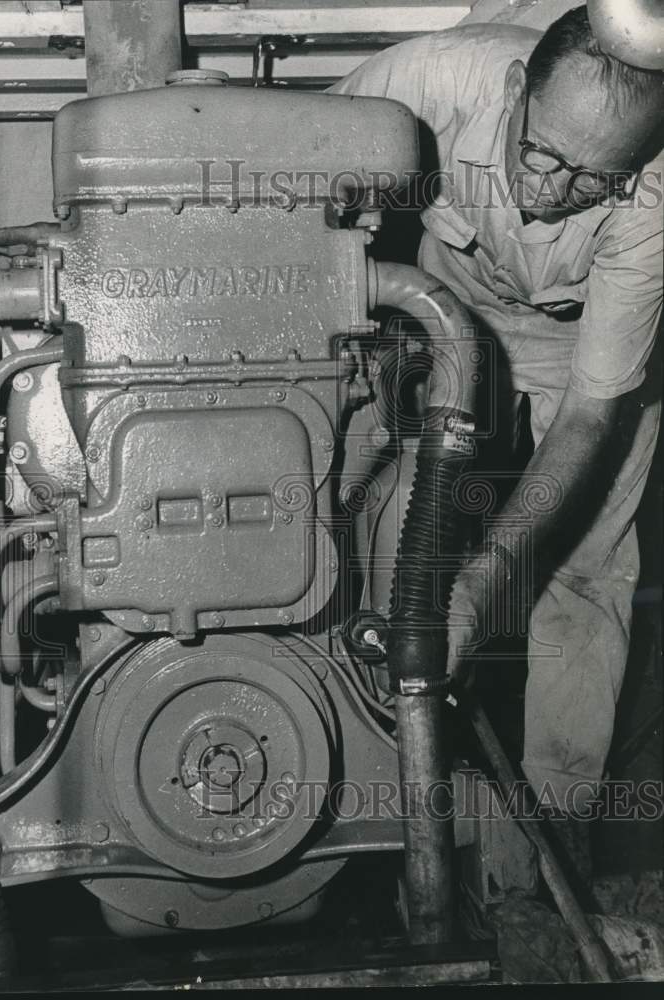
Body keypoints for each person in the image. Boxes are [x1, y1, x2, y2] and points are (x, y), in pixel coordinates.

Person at [329, 3, 663, 873]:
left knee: (582, 572)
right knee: (382, 515)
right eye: (541, 153)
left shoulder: (656, 198)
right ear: (515, 89)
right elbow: (295, 181)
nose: (550, 193)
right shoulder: (434, 77)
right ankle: (380, 777)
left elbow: (593, 411)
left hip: (579, 337)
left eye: (592, 181)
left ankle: (549, 842)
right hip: (441, 303)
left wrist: (484, 584)